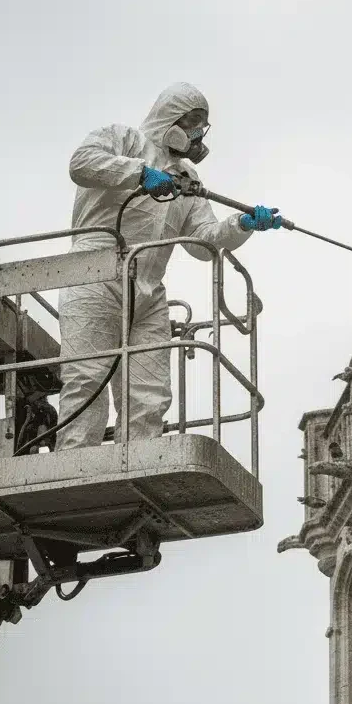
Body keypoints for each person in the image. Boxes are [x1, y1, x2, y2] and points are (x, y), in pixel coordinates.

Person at [56, 82, 280, 450]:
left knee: (149, 393)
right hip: (95, 273)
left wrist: (242, 224)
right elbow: (81, 164)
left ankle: (139, 465)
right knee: (87, 380)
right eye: (192, 121)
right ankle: (74, 462)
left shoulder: (187, 179)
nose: (197, 132)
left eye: (202, 125)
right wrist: (140, 173)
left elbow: (203, 242)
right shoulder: (123, 139)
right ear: (169, 115)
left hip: (148, 291)